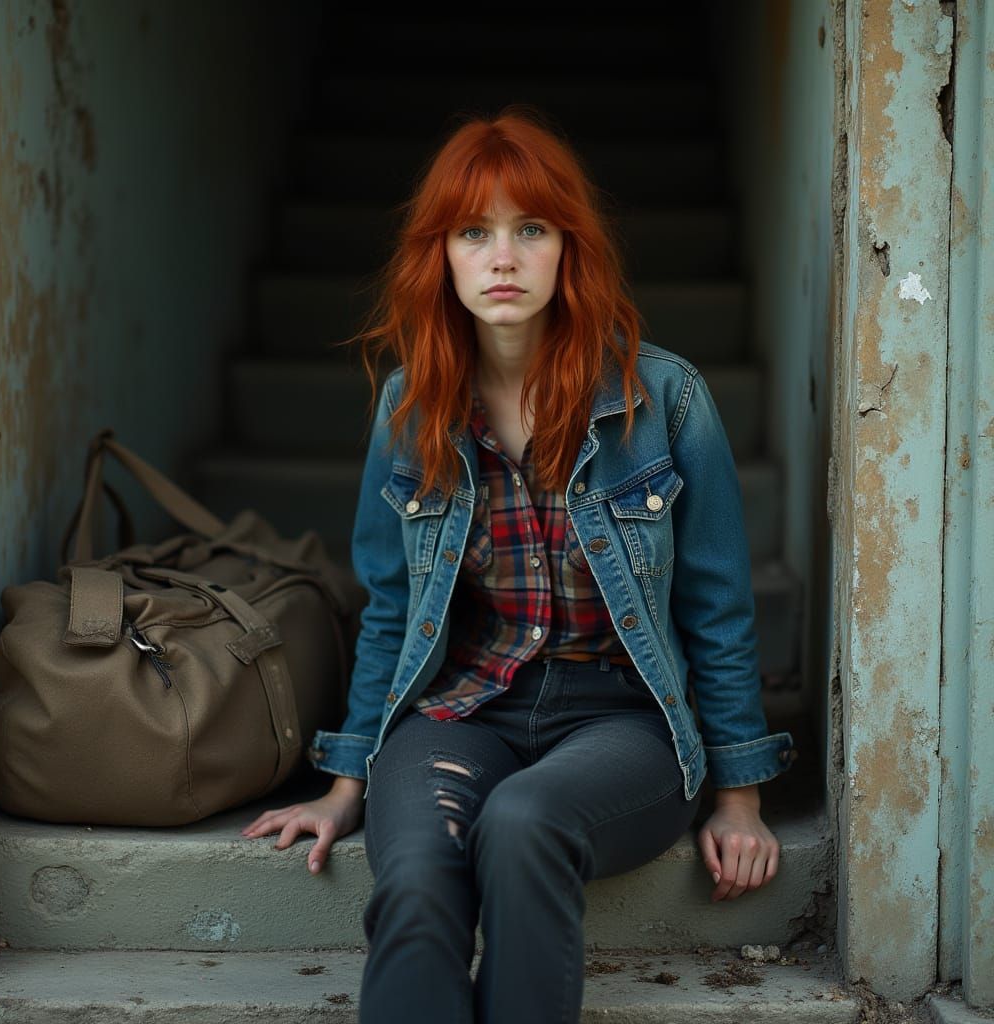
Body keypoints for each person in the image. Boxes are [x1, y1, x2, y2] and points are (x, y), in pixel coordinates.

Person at [242, 109, 796, 1024]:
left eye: (530, 230)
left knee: (522, 823)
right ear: (444, 258)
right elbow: (390, 605)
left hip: (625, 726)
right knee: (418, 883)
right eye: (474, 233)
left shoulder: (666, 402)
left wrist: (740, 798)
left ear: (568, 249)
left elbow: (718, 608)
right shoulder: (408, 409)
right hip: (462, 713)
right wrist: (347, 782)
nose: (503, 258)